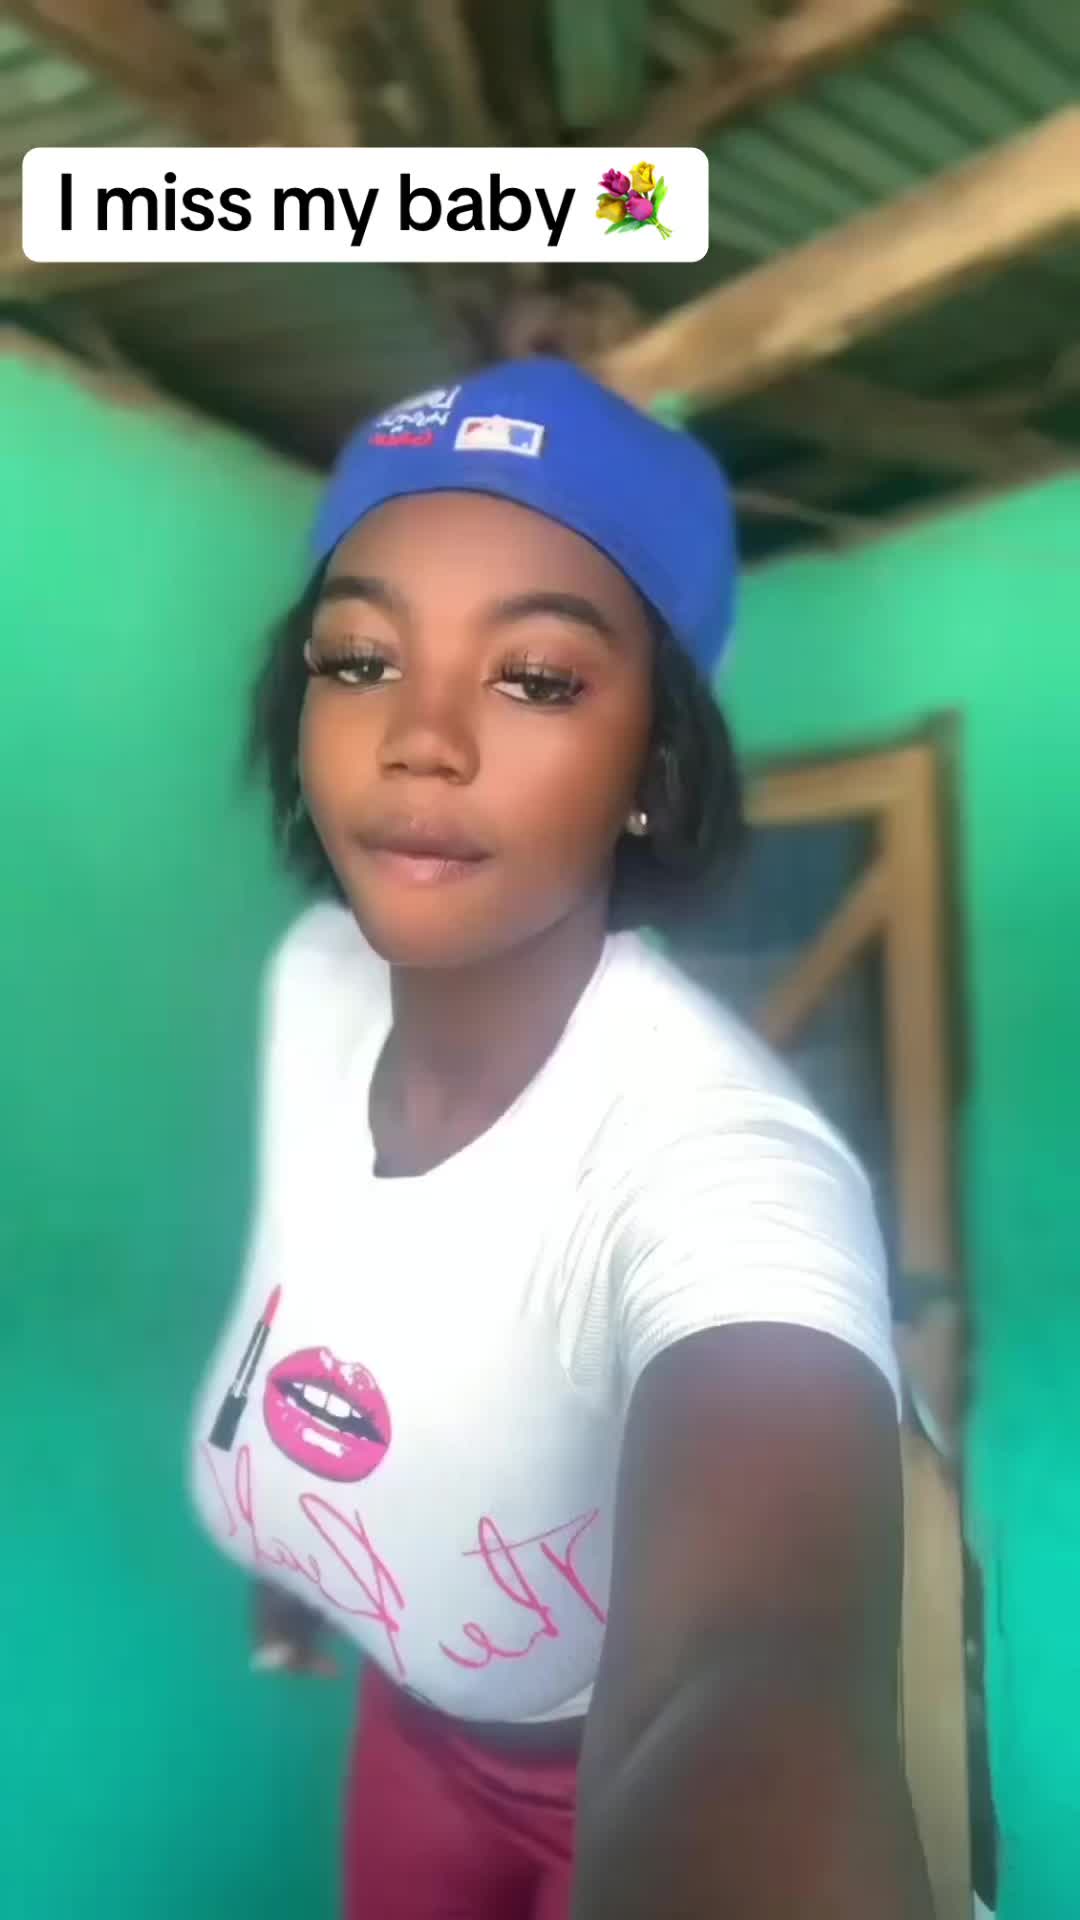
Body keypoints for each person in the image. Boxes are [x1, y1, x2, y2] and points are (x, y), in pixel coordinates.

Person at [189, 357, 932, 1919]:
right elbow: (322, 1277)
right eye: (360, 659)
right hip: (406, 1737)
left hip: (589, 1795)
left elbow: (761, 1672)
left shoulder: (723, 1165)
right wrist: (295, 1534)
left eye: (534, 677)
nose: (421, 738)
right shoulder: (313, 984)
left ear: (655, 768)